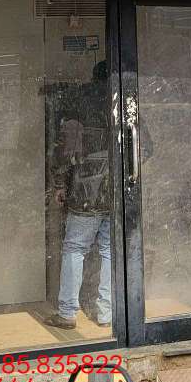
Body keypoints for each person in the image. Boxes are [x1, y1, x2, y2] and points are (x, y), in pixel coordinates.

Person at [46, 61, 111, 330]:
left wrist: (59, 184)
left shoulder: (79, 102)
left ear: (93, 78)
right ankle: (106, 314)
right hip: (116, 192)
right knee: (109, 250)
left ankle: (67, 313)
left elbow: (64, 149)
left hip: (85, 191)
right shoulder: (124, 100)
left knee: (74, 248)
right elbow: (146, 147)